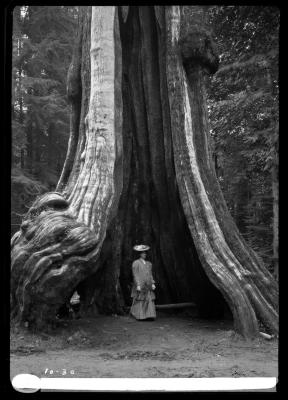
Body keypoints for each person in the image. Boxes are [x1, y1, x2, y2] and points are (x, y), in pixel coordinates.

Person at [130, 244, 156, 320]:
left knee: (149, 299)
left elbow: (150, 274)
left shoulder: (149, 264)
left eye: (145, 253)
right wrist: (137, 284)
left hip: (148, 285)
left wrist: (153, 283)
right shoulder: (136, 263)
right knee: (140, 299)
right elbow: (135, 274)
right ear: (139, 254)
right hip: (140, 284)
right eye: (142, 253)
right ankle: (140, 316)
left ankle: (149, 316)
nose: (144, 254)